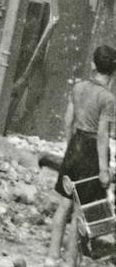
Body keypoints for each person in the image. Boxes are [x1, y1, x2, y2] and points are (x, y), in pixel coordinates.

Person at [45, 44, 116, 267]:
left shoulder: (77, 88)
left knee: (64, 204)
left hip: (74, 146)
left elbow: (68, 122)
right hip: (92, 154)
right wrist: (104, 169)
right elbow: (103, 135)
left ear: (93, 64)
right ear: (114, 71)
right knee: (80, 212)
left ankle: (51, 256)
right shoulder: (108, 99)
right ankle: (69, 262)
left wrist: (70, 148)